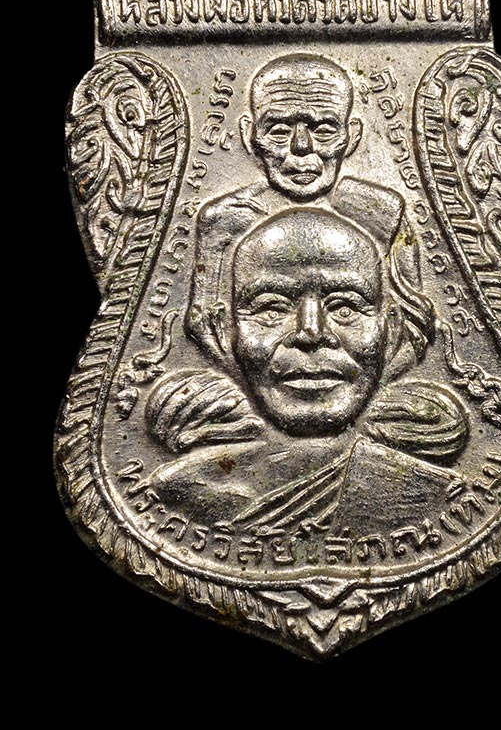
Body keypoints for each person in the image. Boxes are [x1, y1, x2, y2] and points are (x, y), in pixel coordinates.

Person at [147, 209, 468, 534]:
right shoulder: (178, 491)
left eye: (345, 307)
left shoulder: (434, 494)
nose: (311, 332)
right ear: (222, 330)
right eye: (271, 308)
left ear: (392, 329)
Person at [187, 53, 433, 367]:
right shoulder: (222, 222)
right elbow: (204, 331)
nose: (301, 146)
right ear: (250, 136)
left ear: (352, 135)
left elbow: (414, 330)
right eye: (278, 130)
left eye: (324, 130)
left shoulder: (382, 214)